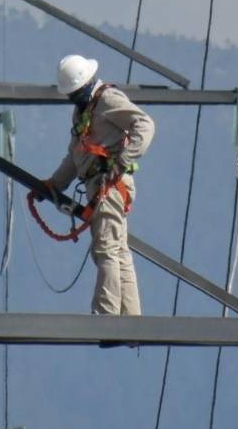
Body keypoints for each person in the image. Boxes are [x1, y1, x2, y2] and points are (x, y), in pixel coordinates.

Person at [42, 54, 155, 316]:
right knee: (117, 250)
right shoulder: (83, 111)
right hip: (99, 185)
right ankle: (130, 317)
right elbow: (75, 156)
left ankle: (107, 313)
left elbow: (145, 125)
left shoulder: (107, 100)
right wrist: (54, 184)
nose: (73, 99)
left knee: (106, 247)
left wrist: (122, 162)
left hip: (110, 184)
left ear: (86, 85)